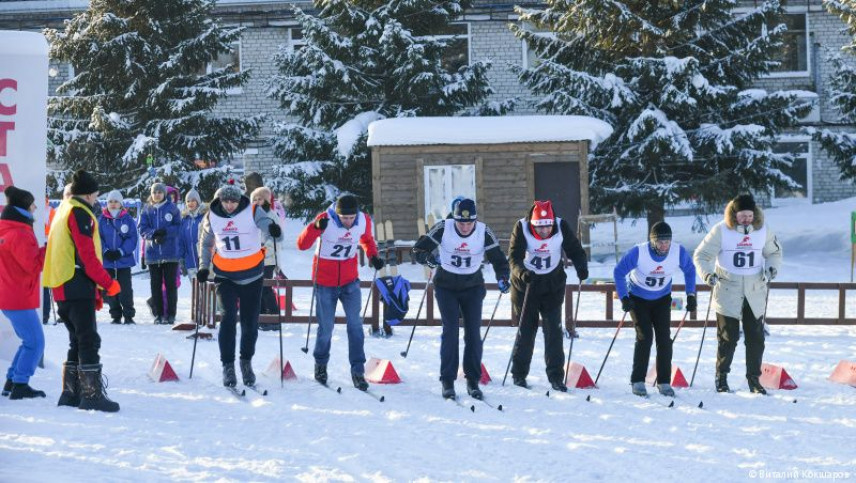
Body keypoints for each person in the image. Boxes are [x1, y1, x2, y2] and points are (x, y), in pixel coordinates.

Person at [412, 198, 510, 400]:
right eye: (461, 222)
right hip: (446, 286)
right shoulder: (444, 227)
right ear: (454, 219)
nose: (465, 227)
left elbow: (499, 259)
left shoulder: (483, 231)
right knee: (450, 331)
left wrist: (503, 278)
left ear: (475, 220)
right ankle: (447, 380)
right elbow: (419, 250)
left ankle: (473, 380)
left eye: (469, 223)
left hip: (472, 287)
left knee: (473, 333)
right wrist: (428, 258)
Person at [43, 170, 121, 412]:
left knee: (76, 339)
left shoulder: (62, 210)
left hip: (61, 284)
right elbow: (86, 255)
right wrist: (107, 283)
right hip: (76, 284)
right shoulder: (79, 212)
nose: (96, 200)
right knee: (88, 339)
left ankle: (70, 392)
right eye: (96, 196)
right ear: (88, 194)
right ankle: (91, 394)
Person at [693, 194, 782, 395]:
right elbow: (701, 255)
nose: (746, 219)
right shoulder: (721, 230)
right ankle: (721, 377)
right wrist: (707, 274)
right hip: (728, 289)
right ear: (734, 214)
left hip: (754, 291)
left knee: (755, 338)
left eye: (749, 215)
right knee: (728, 338)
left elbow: (774, 253)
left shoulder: (763, 230)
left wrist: (771, 269)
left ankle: (754, 380)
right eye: (742, 215)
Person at [197, 184, 283, 388]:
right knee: (227, 319)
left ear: (240, 200)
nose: (229, 205)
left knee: (249, 323)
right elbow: (206, 242)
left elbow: (274, 232)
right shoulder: (211, 215)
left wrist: (273, 230)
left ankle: (246, 362)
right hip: (225, 275)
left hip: (252, 275)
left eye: (233, 201)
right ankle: (228, 366)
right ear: (219, 201)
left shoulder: (252, 210)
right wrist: (203, 266)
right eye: (226, 201)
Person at [296, 194, 384, 391]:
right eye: (344, 218)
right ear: (337, 213)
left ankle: (358, 370)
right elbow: (302, 245)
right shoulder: (324, 219)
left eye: (352, 218)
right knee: (326, 327)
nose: (348, 222)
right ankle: (320, 364)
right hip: (325, 282)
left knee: (355, 326)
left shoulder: (363, 220)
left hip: (350, 282)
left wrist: (373, 256)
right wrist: (315, 228)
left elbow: (367, 240)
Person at [508, 200, 588, 392]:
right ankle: (519, 374)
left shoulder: (561, 226)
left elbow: (575, 249)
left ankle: (556, 376)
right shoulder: (521, 227)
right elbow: (514, 257)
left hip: (552, 285)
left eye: (547, 226)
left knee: (553, 331)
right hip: (526, 285)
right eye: (539, 227)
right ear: (533, 223)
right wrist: (522, 272)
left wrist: (581, 266)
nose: (544, 231)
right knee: (526, 330)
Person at [614, 221, 697, 397]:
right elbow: (619, 271)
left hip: (662, 299)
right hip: (638, 299)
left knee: (664, 340)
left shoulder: (677, 251)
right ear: (652, 241)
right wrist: (624, 297)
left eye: (667, 241)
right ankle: (638, 380)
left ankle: (664, 381)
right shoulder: (639, 252)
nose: (664, 245)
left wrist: (691, 295)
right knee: (645, 336)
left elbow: (690, 270)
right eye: (660, 241)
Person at [0, 186, 47, 399]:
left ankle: (12, 380)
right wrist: (49, 249)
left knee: (28, 340)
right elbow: (33, 265)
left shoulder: (7, 229)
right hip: (18, 296)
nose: (35, 207)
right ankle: (20, 384)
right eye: (32, 204)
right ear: (23, 207)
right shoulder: (19, 233)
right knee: (36, 342)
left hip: (10, 295)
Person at [138, 182, 181, 324]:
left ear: (164, 194)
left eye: (159, 192)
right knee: (155, 286)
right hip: (153, 254)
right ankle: (159, 314)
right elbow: (142, 228)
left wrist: (166, 233)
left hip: (170, 254)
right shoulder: (146, 210)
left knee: (170, 285)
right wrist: (153, 234)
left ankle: (171, 314)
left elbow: (178, 226)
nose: (157, 195)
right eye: (154, 192)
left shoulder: (172, 208)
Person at [98, 190, 138, 325]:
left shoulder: (127, 219)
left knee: (125, 289)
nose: (113, 204)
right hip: (108, 261)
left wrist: (121, 251)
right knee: (111, 289)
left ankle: (128, 314)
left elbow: (132, 238)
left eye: (115, 201)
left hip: (123, 261)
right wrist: (106, 251)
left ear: (121, 204)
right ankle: (115, 314)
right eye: (110, 201)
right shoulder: (102, 219)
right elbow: (98, 238)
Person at [251, 186, 283, 331]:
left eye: (260, 199)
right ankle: (262, 316)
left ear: (267, 200)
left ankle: (274, 316)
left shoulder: (271, 215)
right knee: (257, 288)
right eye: (255, 199)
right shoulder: (252, 216)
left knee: (266, 287)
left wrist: (265, 249)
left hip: (268, 258)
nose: (257, 201)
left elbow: (277, 237)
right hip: (253, 257)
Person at [178, 188, 206, 281]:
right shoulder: (184, 220)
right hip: (190, 263)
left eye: (193, 200)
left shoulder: (204, 217)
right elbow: (180, 241)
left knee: (206, 292)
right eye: (188, 201)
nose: (190, 203)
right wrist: (181, 259)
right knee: (195, 292)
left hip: (204, 264)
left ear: (198, 201)